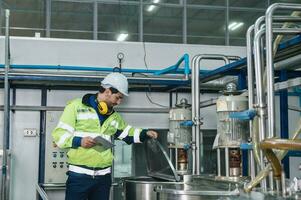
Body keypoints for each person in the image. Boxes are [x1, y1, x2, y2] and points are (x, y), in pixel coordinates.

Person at [52, 72, 158, 200]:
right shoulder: (75, 107)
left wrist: (145, 133)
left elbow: (127, 133)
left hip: (103, 178)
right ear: (107, 91)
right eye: (117, 97)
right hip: (79, 176)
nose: (119, 102)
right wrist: (79, 141)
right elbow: (59, 135)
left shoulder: (114, 117)